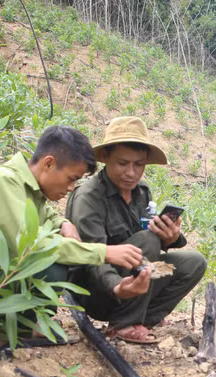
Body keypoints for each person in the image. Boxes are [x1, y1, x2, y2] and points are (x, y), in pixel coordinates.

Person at [0, 125, 142, 340]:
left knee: (56, 259)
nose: (70, 188)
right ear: (49, 163)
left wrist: (63, 223)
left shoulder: (28, 188)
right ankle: (13, 330)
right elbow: (31, 245)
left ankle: (23, 325)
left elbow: (48, 214)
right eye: (71, 178)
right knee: (51, 266)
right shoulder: (2, 181)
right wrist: (103, 252)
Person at [66, 117, 206, 344]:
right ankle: (124, 323)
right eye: (122, 163)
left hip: (132, 281)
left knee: (194, 262)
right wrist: (118, 287)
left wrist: (169, 239)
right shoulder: (88, 197)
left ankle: (144, 318)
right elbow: (91, 258)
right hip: (95, 290)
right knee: (148, 241)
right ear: (105, 158)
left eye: (138, 165)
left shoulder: (141, 192)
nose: (131, 172)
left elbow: (145, 241)